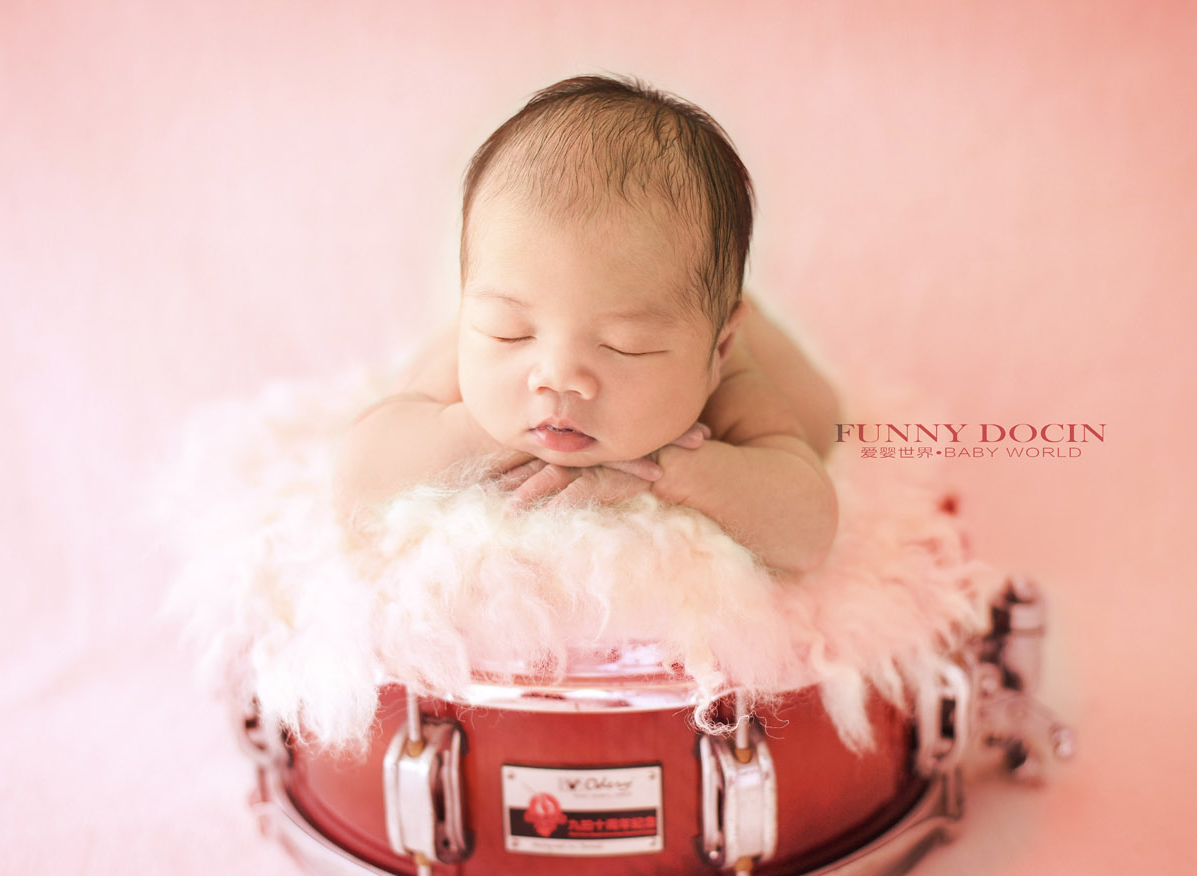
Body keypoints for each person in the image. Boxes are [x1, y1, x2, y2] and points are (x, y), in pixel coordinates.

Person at [335, 75, 842, 573]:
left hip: (744, 344)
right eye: (511, 332)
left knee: (818, 416)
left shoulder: (729, 372)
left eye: (626, 346)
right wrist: (479, 433)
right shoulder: (477, 355)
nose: (557, 377)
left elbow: (808, 533)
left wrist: (671, 467)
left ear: (719, 350)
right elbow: (358, 476)